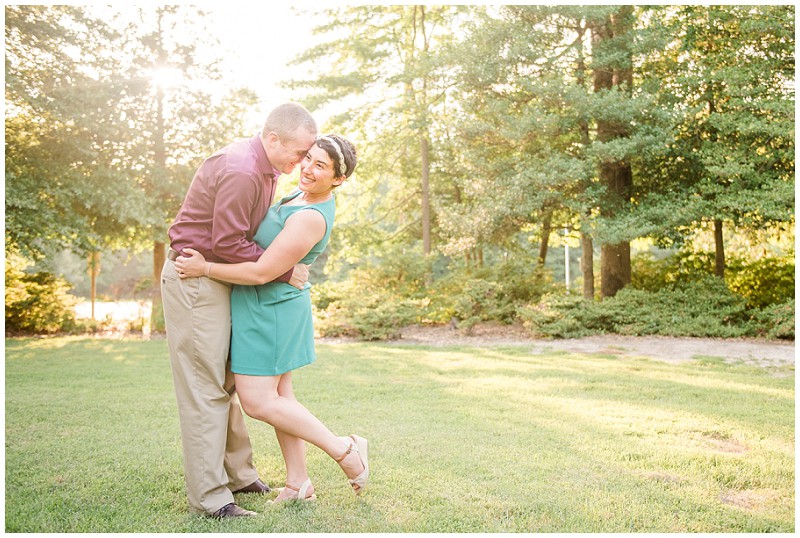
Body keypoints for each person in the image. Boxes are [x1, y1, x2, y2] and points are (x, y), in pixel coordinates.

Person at [174, 134, 368, 504]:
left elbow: (262, 272)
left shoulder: (311, 216)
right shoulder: (299, 195)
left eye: (320, 166)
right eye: (308, 158)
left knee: (259, 402)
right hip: (259, 306)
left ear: (338, 179)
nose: (308, 169)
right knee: (283, 398)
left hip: (273, 310)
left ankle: (345, 450)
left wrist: (205, 266)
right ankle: (299, 484)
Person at [161, 103, 317, 519]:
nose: (300, 163)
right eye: (299, 153)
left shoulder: (265, 169)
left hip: (222, 278)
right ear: (272, 139)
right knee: (204, 389)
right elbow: (229, 243)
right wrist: (283, 269)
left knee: (228, 381)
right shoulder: (243, 170)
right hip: (196, 278)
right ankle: (212, 499)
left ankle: (239, 474)